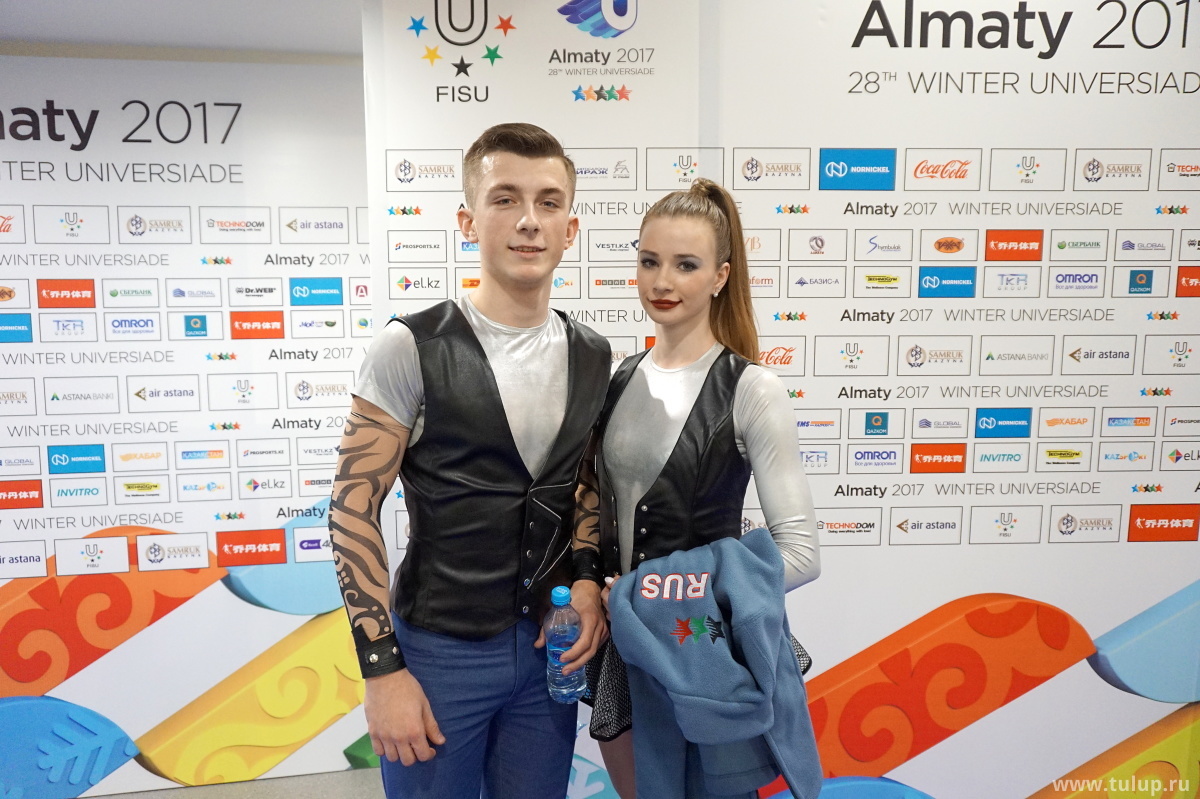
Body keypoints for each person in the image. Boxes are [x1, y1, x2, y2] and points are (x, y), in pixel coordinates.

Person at [329, 122, 612, 799]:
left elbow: (585, 488)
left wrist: (585, 582)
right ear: (468, 220)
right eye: (505, 198)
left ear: (570, 229)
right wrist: (381, 669)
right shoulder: (411, 346)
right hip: (437, 654)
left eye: (548, 202)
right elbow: (351, 509)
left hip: (545, 654)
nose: (528, 220)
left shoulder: (594, 353)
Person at [570, 178, 822, 798]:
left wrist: (664, 591)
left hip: (701, 646)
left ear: (720, 276)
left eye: (686, 265)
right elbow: (591, 506)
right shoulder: (617, 380)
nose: (663, 281)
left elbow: (801, 555)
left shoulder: (753, 389)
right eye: (649, 261)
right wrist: (592, 583)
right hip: (624, 649)